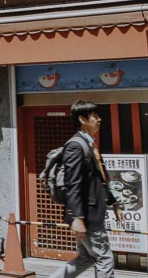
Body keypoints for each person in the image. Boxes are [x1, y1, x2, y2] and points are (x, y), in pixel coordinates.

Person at [49, 100, 123, 278]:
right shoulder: (76, 145)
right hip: (87, 215)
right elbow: (73, 183)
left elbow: (98, 180)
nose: (99, 120)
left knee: (86, 258)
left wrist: (113, 203)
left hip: (89, 213)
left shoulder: (89, 144)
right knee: (104, 259)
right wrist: (78, 218)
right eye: (95, 116)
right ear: (83, 119)